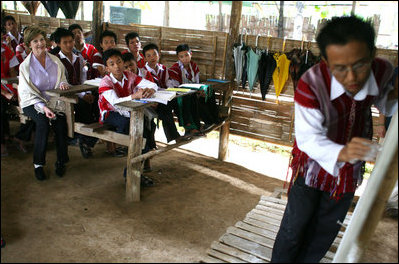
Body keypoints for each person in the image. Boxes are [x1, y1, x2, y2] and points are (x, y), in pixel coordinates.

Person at [270, 16, 398, 263]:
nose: (352, 77)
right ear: (326, 62)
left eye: (360, 65)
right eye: (340, 68)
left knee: (324, 232)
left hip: (348, 172)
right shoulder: (311, 84)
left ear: (373, 54)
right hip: (310, 167)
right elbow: (308, 140)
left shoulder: (383, 71)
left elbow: (385, 102)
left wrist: (394, 94)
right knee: (294, 228)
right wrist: (343, 153)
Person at [98, 48, 158, 186]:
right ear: (107, 68)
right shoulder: (105, 82)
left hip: (128, 112)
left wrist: (151, 89)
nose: (117, 66)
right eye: (112, 64)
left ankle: (133, 173)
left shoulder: (129, 75)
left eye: (119, 62)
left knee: (145, 132)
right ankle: (134, 170)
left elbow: (152, 84)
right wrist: (134, 96)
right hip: (110, 113)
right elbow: (115, 102)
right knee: (134, 131)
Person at [18, 26, 71, 181]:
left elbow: (62, 78)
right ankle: (38, 164)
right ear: (29, 44)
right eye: (35, 41)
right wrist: (43, 107)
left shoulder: (54, 61)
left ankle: (61, 160)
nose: (40, 43)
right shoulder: (25, 66)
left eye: (42, 39)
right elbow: (26, 92)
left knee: (60, 123)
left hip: (53, 101)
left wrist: (63, 84)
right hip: (33, 102)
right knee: (42, 122)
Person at [53, 27, 99, 159]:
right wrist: (83, 95)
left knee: (97, 103)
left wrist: (88, 92)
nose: (69, 45)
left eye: (70, 41)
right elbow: (64, 84)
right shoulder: (56, 61)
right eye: (64, 42)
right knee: (84, 108)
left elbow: (83, 79)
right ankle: (83, 139)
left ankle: (84, 139)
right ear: (58, 44)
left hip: (81, 92)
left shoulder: (78, 58)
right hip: (65, 96)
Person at [167, 43, 219, 135]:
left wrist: (201, 91)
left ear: (191, 54)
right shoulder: (174, 69)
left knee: (210, 92)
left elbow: (197, 83)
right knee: (193, 100)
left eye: (186, 55)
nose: (185, 58)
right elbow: (176, 88)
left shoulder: (194, 67)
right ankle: (193, 127)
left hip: (193, 92)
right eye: (181, 57)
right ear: (178, 58)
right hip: (180, 96)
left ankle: (214, 119)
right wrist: (194, 92)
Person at [142, 43, 182, 143]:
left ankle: (187, 127)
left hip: (164, 98)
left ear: (158, 55)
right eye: (149, 56)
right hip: (151, 102)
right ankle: (174, 136)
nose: (152, 58)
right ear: (145, 59)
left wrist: (170, 91)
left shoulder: (163, 69)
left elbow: (168, 82)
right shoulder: (143, 72)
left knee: (179, 102)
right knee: (166, 108)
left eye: (154, 54)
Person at [1, 26, 19, 157]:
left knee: (29, 100)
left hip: (7, 85)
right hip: (2, 90)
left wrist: (13, 91)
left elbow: (12, 75)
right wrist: (5, 93)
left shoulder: (7, 51)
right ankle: (3, 140)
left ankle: (20, 136)